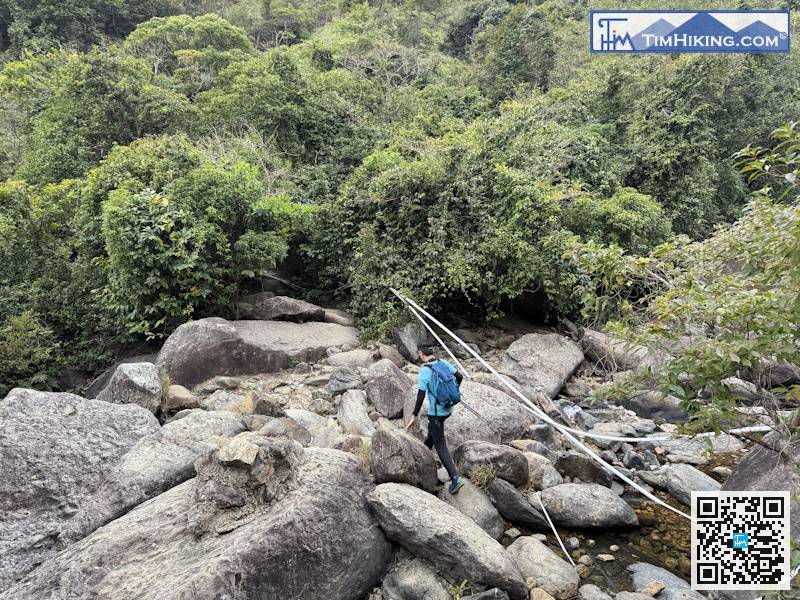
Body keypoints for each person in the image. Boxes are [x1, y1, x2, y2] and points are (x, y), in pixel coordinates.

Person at [405, 341, 466, 495]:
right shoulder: (443, 362)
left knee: (440, 444)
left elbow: (420, 396)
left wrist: (413, 416)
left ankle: (455, 477)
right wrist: (452, 393)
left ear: (420, 353)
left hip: (436, 413)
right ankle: (422, 454)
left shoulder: (425, 370)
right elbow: (459, 376)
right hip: (448, 409)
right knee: (433, 434)